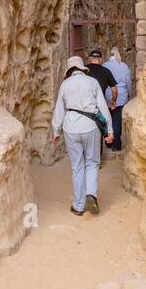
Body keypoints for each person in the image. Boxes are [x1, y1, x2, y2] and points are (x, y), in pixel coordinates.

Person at [52, 56, 114, 216]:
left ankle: (78, 206)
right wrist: (110, 131)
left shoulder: (65, 85)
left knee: (77, 166)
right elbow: (103, 108)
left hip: (70, 128)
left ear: (69, 70)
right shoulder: (92, 82)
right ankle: (91, 195)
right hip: (90, 127)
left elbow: (59, 109)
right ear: (81, 68)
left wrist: (55, 130)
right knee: (92, 163)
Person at [106, 47, 132, 153]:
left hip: (108, 95)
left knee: (108, 120)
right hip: (121, 96)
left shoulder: (105, 65)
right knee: (117, 120)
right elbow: (128, 82)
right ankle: (117, 144)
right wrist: (130, 94)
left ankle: (109, 142)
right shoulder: (124, 66)